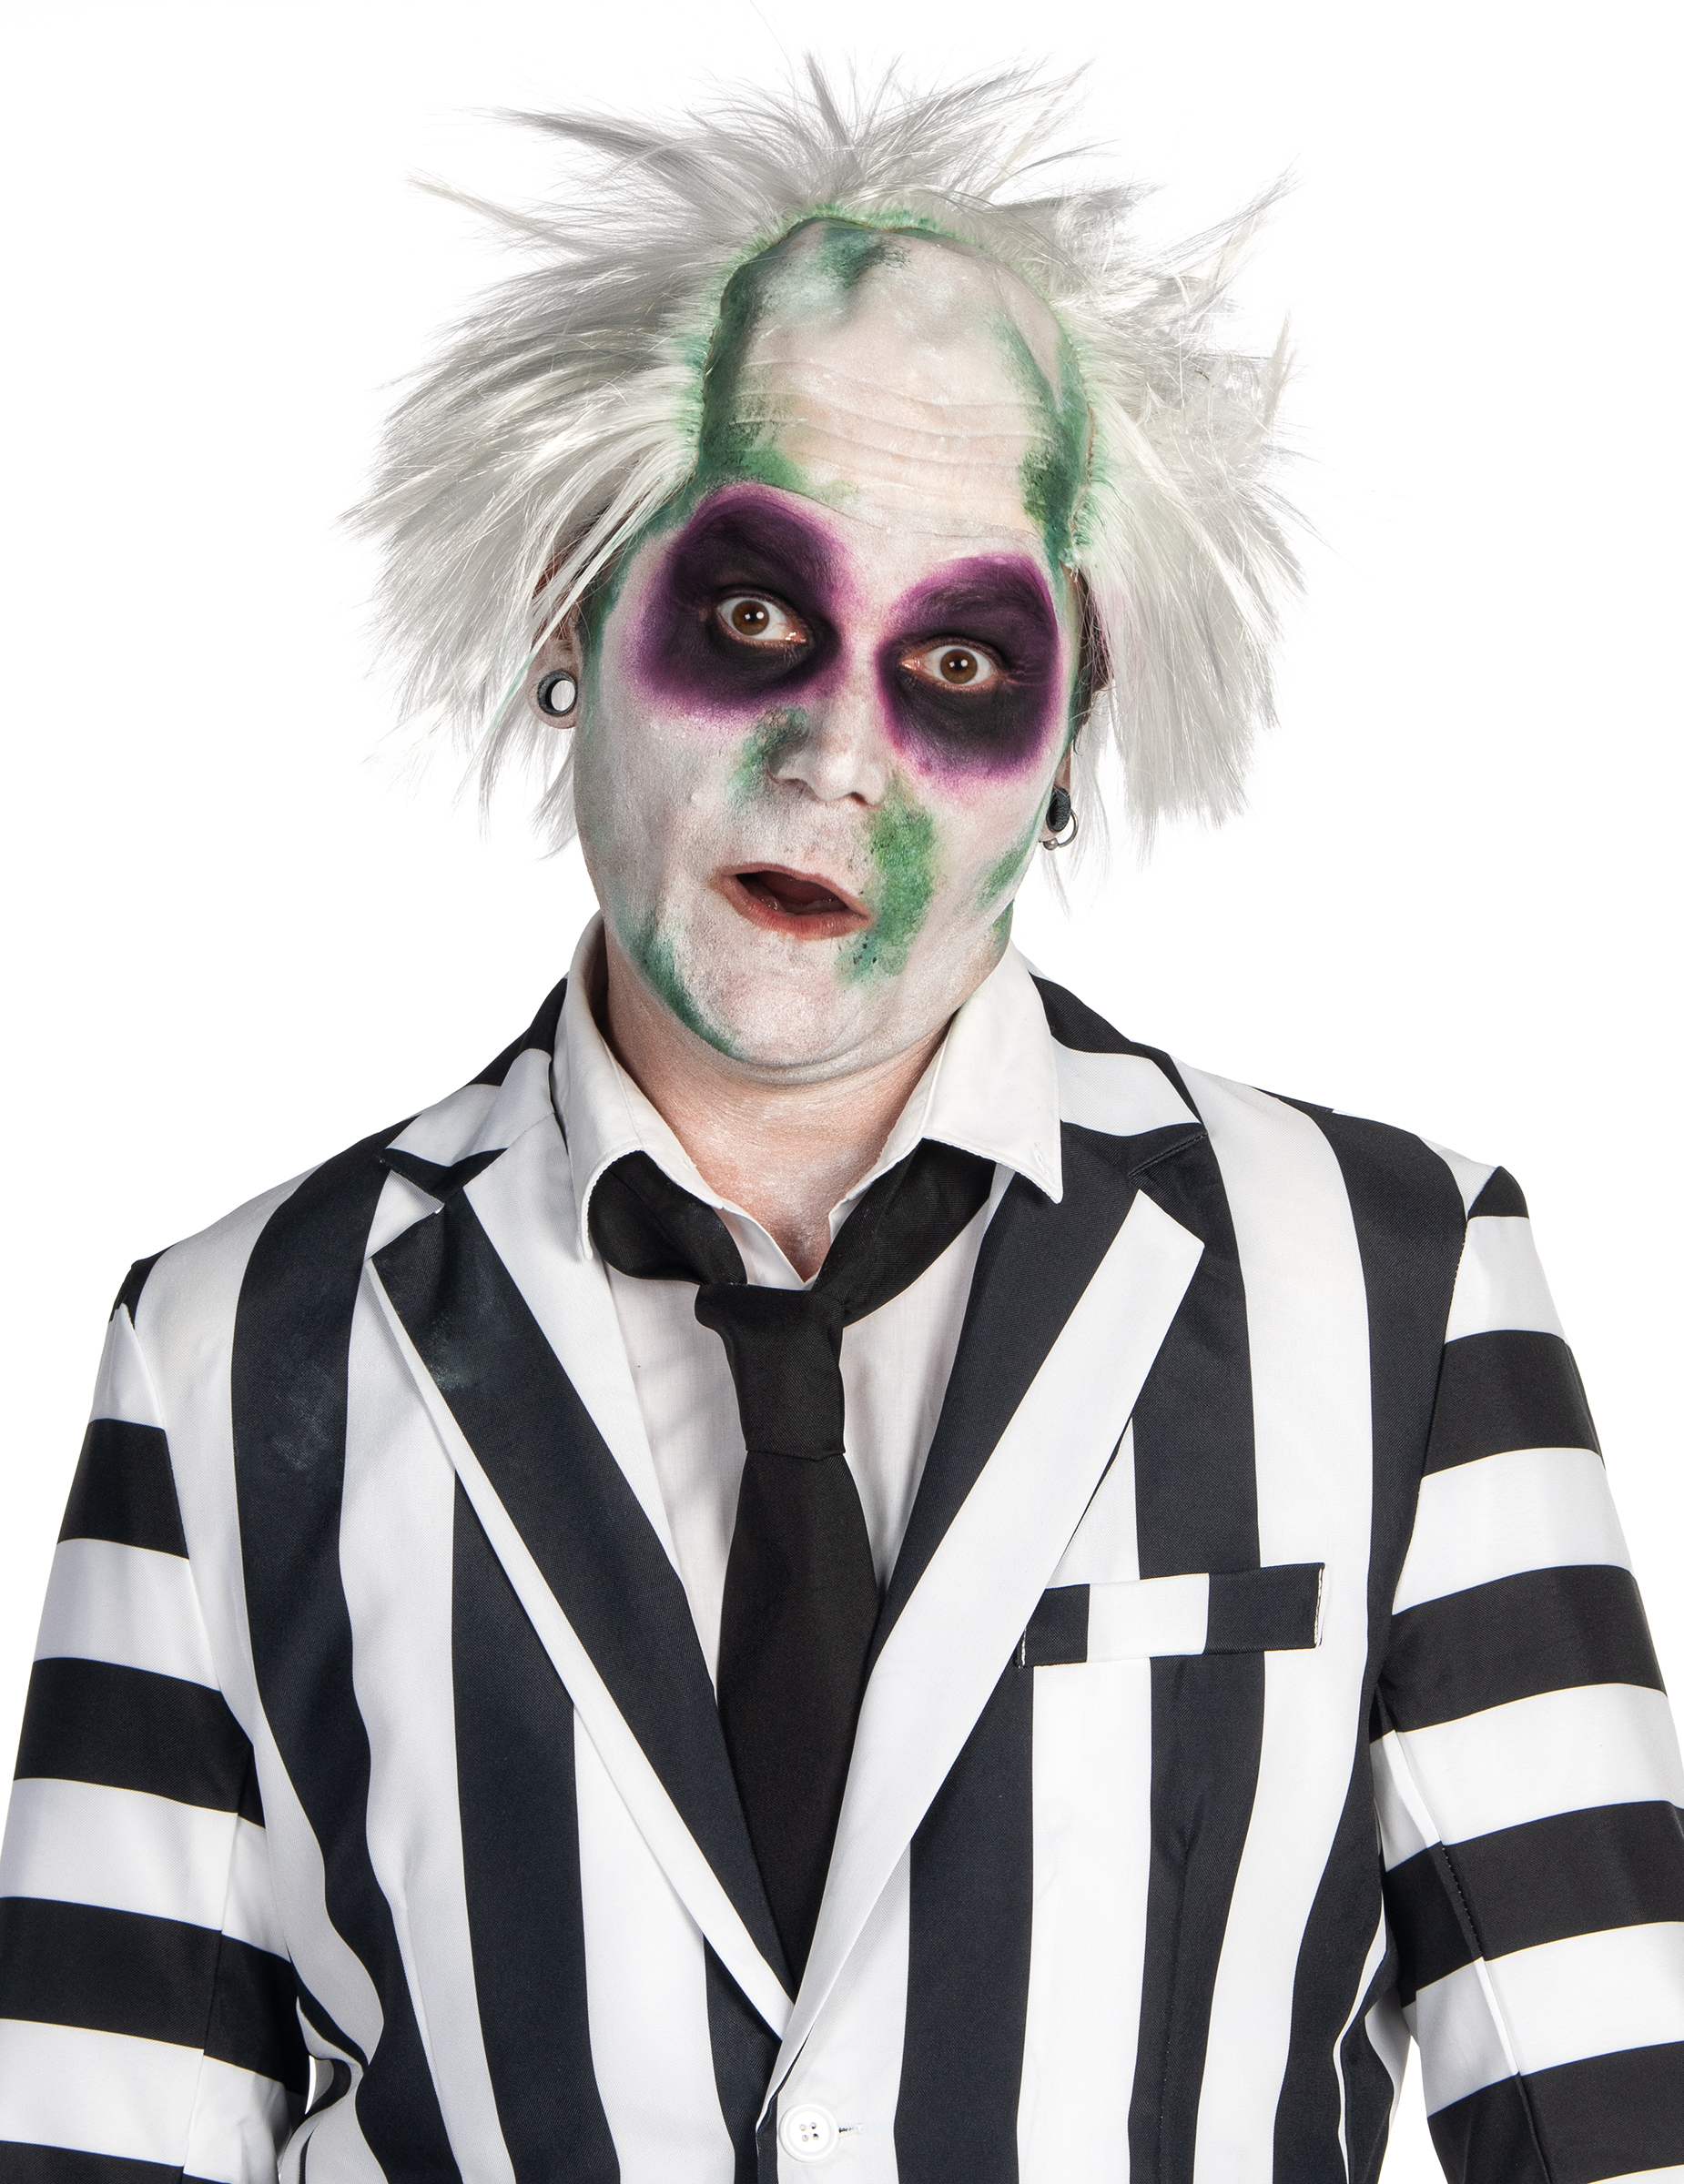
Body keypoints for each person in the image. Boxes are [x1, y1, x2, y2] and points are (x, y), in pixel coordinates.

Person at [0, 64, 1679, 2184]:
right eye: (752, 613)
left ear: (1066, 739)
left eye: (961, 663)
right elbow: (93, 2128)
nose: (836, 760)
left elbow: (1620, 2110)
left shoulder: (1396, 1288)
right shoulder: (232, 1348)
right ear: (569, 611)